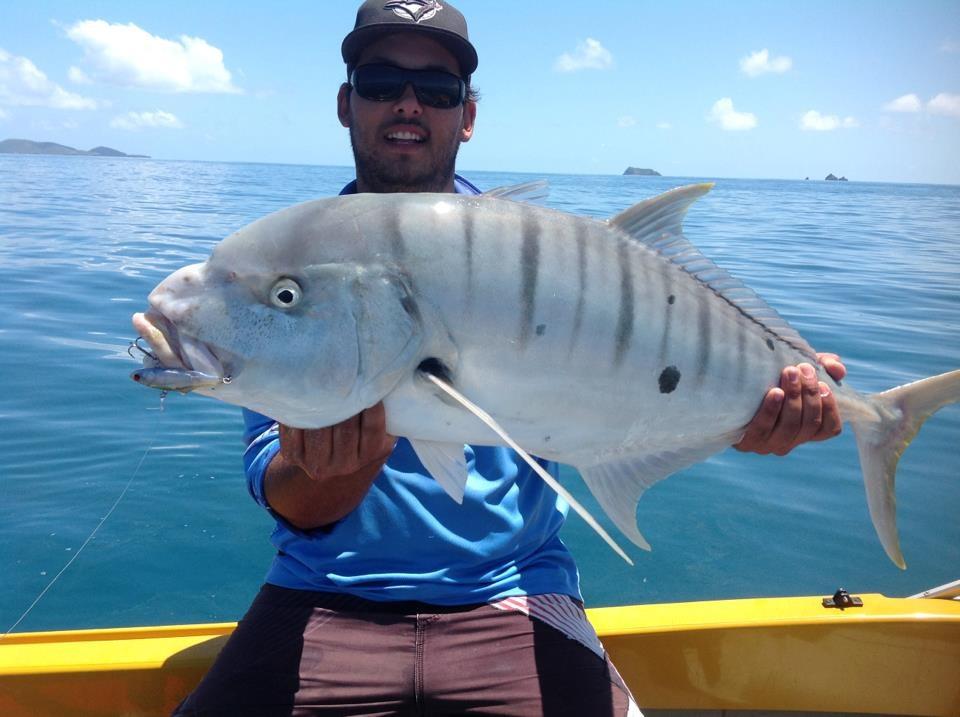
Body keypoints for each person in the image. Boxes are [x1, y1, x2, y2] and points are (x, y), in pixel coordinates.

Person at [174, 2, 845, 715]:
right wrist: (326, 469)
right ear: (346, 104)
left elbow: (640, 385)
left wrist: (758, 407)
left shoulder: (546, 249)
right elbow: (290, 498)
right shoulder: (293, 269)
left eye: (437, 89)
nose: (408, 104)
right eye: (379, 82)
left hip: (516, 595)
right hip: (326, 595)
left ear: (467, 116)